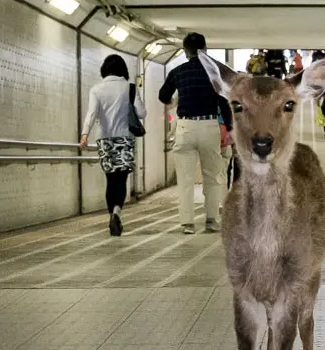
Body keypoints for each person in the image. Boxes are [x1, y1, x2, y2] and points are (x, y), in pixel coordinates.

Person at [159, 32, 232, 234]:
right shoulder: (214, 72)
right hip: (209, 126)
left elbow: (162, 95)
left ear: (185, 51)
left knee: (185, 179)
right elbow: (224, 102)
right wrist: (229, 128)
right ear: (205, 49)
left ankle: (187, 224)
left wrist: (175, 100)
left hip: (185, 127)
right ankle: (211, 220)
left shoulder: (178, 72)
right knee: (213, 177)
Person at [80, 54, 146, 237]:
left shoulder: (96, 89)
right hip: (125, 138)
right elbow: (142, 113)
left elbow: (91, 113)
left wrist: (85, 134)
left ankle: (111, 215)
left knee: (111, 179)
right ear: (123, 69)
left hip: (105, 139)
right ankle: (117, 211)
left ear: (104, 69)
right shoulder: (130, 88)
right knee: (121, 179)